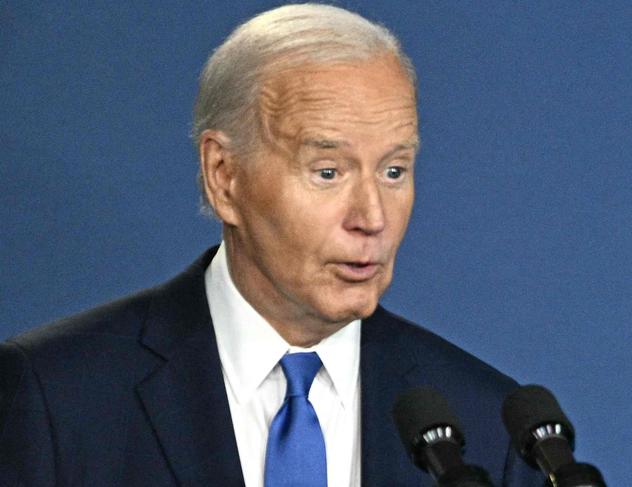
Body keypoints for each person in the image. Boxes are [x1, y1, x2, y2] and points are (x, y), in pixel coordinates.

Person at [0, 4, 542, 486]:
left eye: (394, 170)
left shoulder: (485, 424)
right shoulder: (55, 398)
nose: (371, 217)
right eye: (328, 172)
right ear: (224, 177)